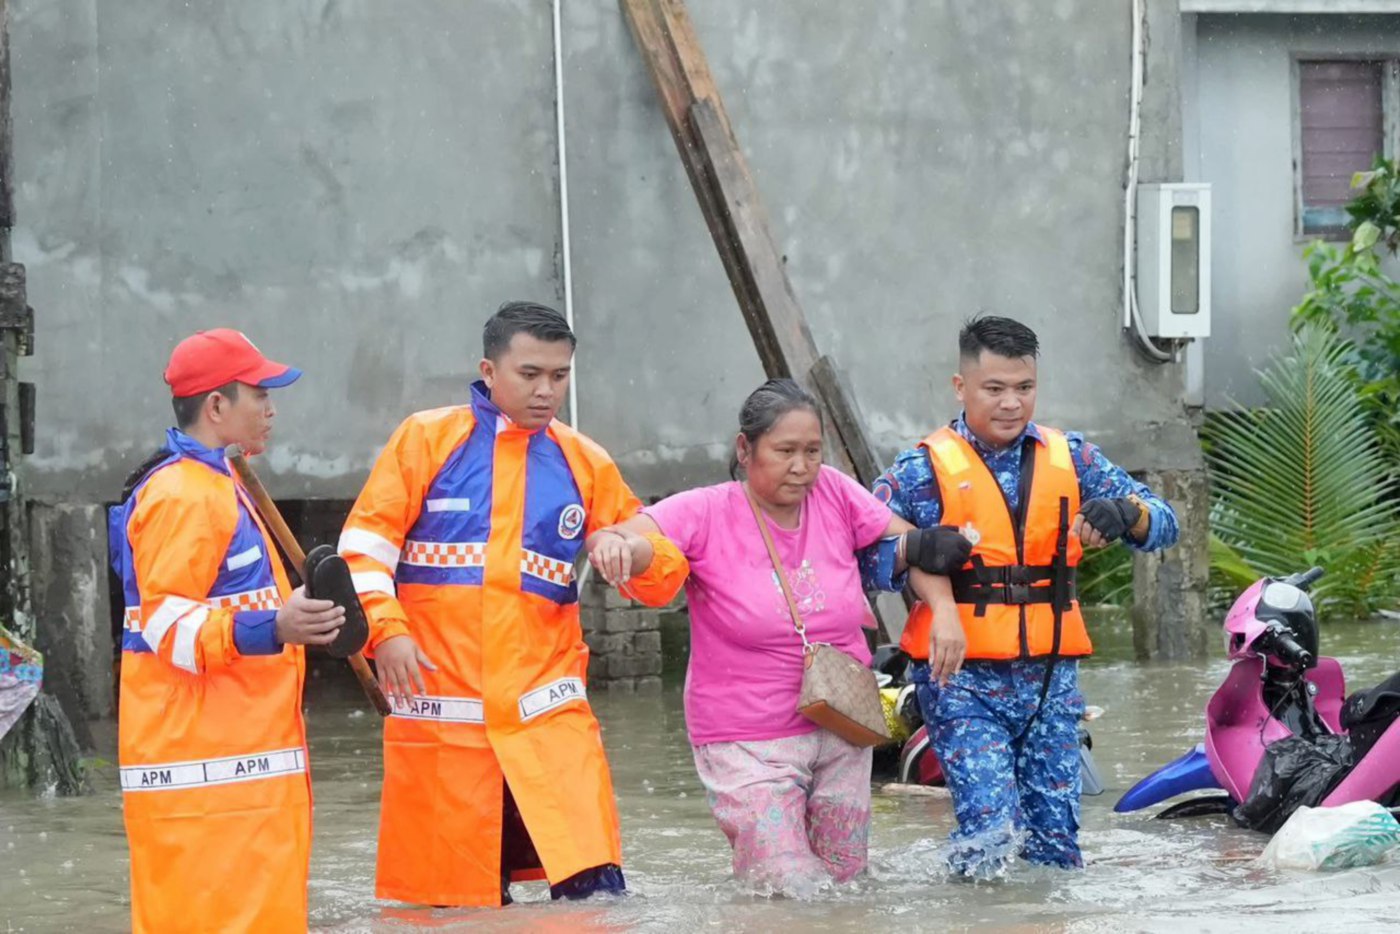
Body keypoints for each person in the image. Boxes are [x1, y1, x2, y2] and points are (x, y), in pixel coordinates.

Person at [339, 301, 680, 907]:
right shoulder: (424, 440)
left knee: (594, 902)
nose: (547, 390)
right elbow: (363, 552)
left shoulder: (584, 460)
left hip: (548, 729)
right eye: (530, 374)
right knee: (454, 910)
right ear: (488, 370)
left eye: (560, 375)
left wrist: (629, 546)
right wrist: (386, 632)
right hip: (448, 732)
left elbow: (661, 571)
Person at [587, 378, 963, 894]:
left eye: (812, 451)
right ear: (746, 449)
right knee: (786, 884)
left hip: (841, 716)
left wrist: (942, 608)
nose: (801, 466)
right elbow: (626, 533)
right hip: (745, 734)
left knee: (845, 881)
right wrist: (615, 547)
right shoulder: (705, 509)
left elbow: (909, 543)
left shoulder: (833, 490)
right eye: (785, 451)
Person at [874, 315, 1179, 876]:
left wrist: (1125, 515)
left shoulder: (1074, 457)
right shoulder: (920, 469)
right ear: (961, 387)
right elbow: (863, 554)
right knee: (989, 831)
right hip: (960, 679)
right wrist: (913, 548)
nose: (1011, 403)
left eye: (1024, 388)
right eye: (995, 389)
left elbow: (1164, 523)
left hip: (1049, 683)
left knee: (1057, 845)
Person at [111, 329, 345, 932]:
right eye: (260, 394)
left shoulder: (219, 483)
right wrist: (278, 626)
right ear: (217, 406)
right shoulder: (185, 495)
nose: (271, 410)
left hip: (236, 772)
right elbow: (167, 627)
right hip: (207, 780)